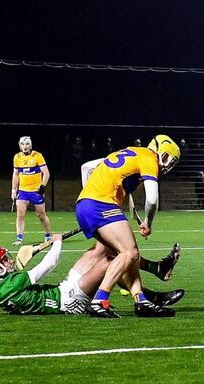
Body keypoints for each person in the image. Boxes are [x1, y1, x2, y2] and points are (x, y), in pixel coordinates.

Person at [76, 135, 181, 317]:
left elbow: (86, 167)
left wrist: (89, 194)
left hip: (85, 205)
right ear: (161, 153)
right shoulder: (149, 159)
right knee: (129, 253)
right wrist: (148, 222)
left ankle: (141, 300)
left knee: (126, 252)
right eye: (168, 159)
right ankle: (100, 301)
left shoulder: (130, 152)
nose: (167, 165)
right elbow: (153, 199)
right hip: (100, 204)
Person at [0, 233, 184, 315]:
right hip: (67, 301)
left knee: (103, 246)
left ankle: (157, 269)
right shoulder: (8, 285)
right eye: (4, 260)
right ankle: (147, 297)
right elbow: (49, 264)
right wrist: (57, 241)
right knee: (109, 262)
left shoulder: (0, 287)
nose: (10, 260)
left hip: (63, 290)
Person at [10, 136, 52, 246]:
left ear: (31, 145)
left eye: (27, 144)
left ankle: (48, 235)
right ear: (19, 145)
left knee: (41, 215)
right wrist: (14, 190)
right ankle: (19, 238)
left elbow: (46, 173)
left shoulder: (38, 156)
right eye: (23, 144)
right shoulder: (17, 157)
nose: (25, 146)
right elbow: (15, 174)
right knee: (20, 214)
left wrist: (43, 186)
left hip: (36, 191)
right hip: (23, 191)